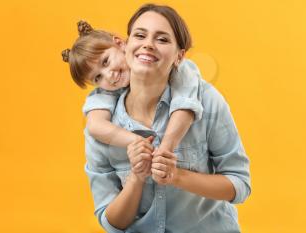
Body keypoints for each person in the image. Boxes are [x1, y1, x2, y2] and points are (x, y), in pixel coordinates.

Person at [84, 3, 251, 233]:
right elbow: (110, 222)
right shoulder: (103, 125)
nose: (148, 44)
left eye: (162, 39)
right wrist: (136, 177)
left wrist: (178, 176)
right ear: (125, 44)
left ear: (179, 56)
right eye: (140, 35)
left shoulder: (207, 101)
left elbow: (239, 184)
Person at [62, 21, 204, 161]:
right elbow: (95, 126)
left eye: (106, 61)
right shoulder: (105, 91)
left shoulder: (172, 66)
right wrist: (138, 141)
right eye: (98, 77)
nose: (108, 75)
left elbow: (185, 104)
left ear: (119, 43)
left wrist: (165, 148)